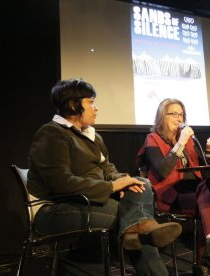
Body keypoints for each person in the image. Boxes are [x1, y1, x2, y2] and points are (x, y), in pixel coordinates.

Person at [27, 78, 182, 275]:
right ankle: (146, 232)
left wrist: (124, 181)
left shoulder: (93, 136)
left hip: (89, 202)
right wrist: (111, 187)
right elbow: (60, 183)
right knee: (135, 221)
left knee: (142, 184)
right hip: (55, 210)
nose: (96, 108)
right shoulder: (52, 133)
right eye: (91, 102)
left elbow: (108, 169)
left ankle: (141, 228)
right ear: (74, 104)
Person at [137, 98, 210, 275]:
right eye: (173, 114)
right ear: (162, 117)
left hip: (193, 192)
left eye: (181, 114)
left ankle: (207, 258)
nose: (179, 118)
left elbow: (204, 170)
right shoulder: (153, 138)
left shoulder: (188, 141)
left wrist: (209, 149)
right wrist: (180, 143)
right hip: (169, 194)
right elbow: (162, 171)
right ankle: (206, 259)